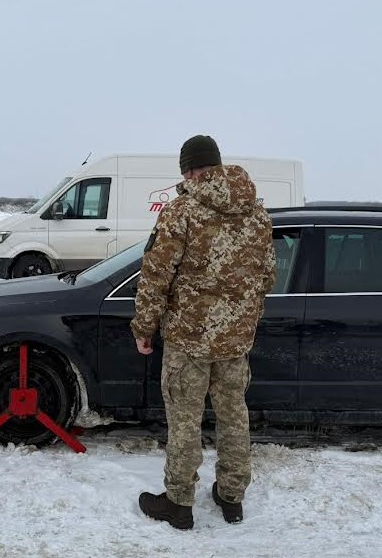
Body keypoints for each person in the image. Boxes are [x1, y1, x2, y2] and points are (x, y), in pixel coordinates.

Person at [131, 135, 276, 529]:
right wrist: (243, 320)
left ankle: (179, 503)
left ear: (190, 170)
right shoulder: (257, 214)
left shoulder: (182, 211)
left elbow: (155, 275)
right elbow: (266, 277)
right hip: (235, 342)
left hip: (188, 341)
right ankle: (231, 497)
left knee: (184, 421)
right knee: (233, 418)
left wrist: (144, 327)